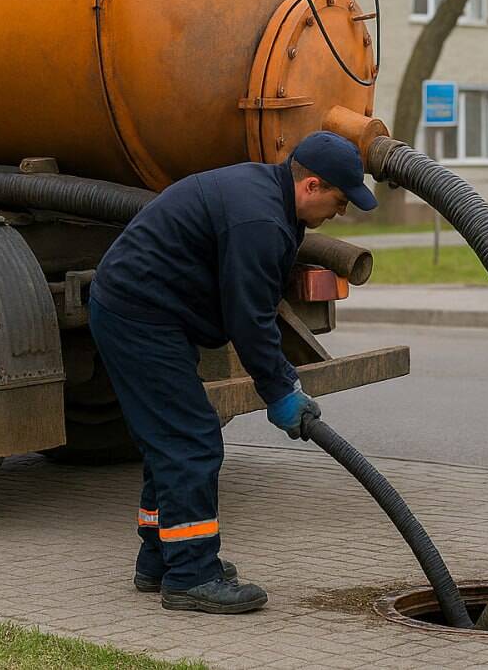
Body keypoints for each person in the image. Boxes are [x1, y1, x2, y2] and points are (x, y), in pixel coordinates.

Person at [88, 131, 377, 614]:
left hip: (145, 312)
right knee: (191, 440)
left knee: (172, 437)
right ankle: (192, 576)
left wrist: (279, 381)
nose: (339, 213)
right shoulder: (260, 218)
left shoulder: (268, 198)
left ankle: (161, 559)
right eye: (340, 200)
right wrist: (280, 391)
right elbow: (250, 318)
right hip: (138, 316)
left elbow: (252, 308)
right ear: (311, 186)